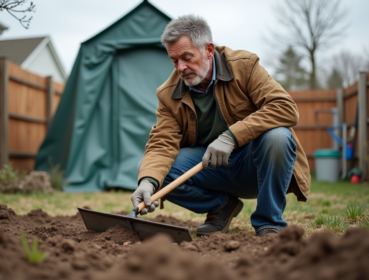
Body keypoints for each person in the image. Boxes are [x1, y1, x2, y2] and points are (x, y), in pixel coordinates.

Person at [131, 15, 310, 237]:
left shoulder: (244, 66)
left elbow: (284, 107)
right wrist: (148, 182)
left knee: (278, 137)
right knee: (150, 169)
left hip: (253, 166)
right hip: (211, 170)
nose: (181, 67)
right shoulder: (168, 94)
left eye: (186, 57)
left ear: (208, 49)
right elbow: (161, 143)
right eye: (174, 60)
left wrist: (231, 137)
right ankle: (221, 206)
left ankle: (269, 223)